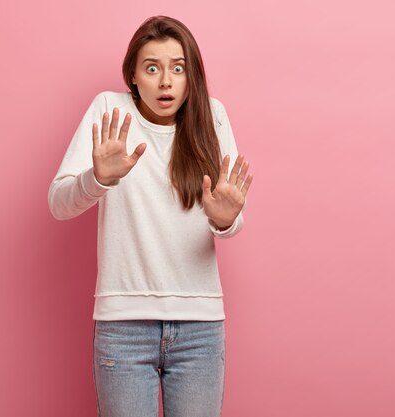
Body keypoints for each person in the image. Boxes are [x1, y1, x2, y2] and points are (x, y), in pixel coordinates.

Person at [48, 15, 253, 417]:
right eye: (152, 68)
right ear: (133, 76)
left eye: (178, 68)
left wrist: (226, 219)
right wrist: (97, 179)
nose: (165, 82)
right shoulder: (110, 111)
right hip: (124, 327)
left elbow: (232, 222)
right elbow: (59, 203)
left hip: (200, 327)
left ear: (191, 74)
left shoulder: (212, 117)